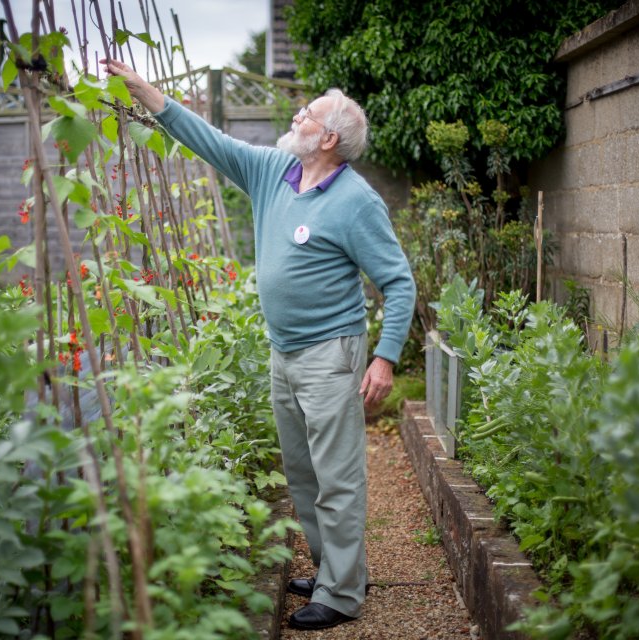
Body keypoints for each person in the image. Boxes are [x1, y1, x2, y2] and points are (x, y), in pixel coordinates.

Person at [103, 58, 416, 631]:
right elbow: (209, 140)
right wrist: (147, 92)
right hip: (284, 352)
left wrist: (385, 357)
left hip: (331, 354)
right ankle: (332, 571)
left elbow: (398, 282)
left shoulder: (356, 202)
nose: (298, 114)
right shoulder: (273, 172)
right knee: (302, 473)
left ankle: (343, 594)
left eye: (310, 112)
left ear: (329, 137)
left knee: (337, 477)